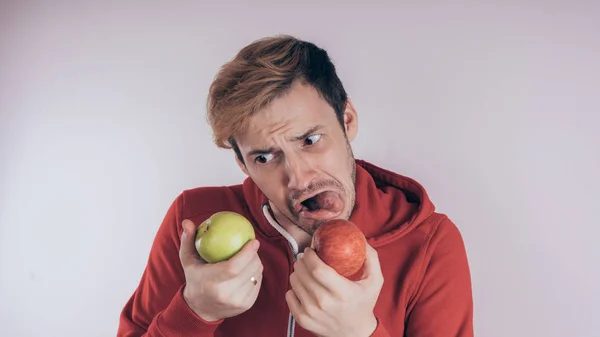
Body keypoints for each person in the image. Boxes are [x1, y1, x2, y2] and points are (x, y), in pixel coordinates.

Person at [117, 35, 474, 337]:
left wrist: (360, 333)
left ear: (346, 120)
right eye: (264, 158)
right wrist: (195, 312)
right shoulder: (192, 222)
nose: (299, 178)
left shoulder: (430, 243)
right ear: (242, 163)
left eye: (311, 139)